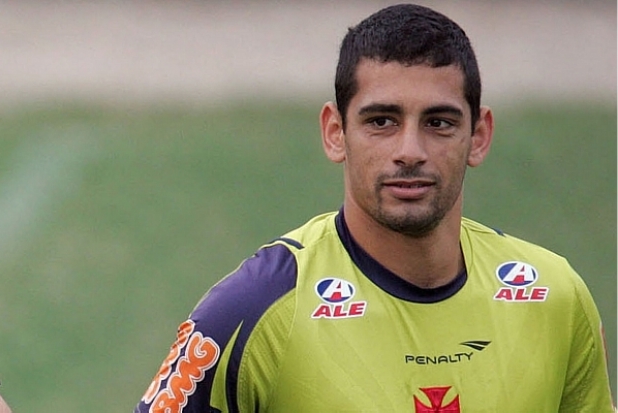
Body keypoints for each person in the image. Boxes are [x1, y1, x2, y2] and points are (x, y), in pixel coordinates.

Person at [135, 4, 614, 412]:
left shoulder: (555, 298)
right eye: (382, 121)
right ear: (335, 132)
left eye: (439, 122)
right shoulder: (253, 311)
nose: (410, 151)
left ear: (479, 136)